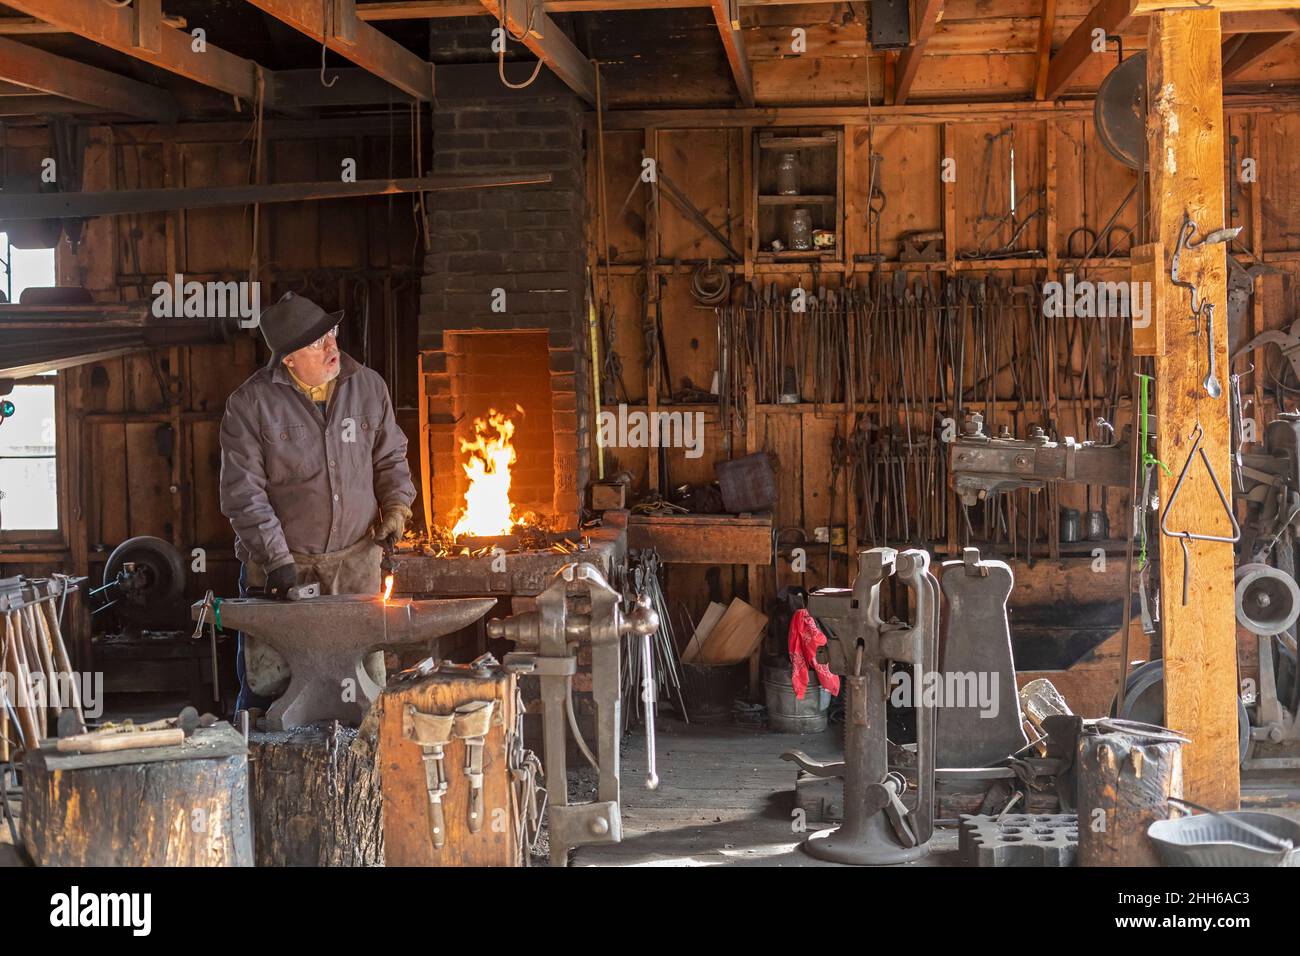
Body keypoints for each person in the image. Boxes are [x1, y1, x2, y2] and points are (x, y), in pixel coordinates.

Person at [219, 291, 415, 711]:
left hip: (355, 566)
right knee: (271, 692)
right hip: (284, 570)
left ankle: (366, 773)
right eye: (317, 343)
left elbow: (390, 457)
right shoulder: (249, 406)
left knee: (363, 694)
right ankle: (261, 766)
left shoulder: (368, 386)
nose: (332, 348)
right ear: (288, 359)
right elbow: (243, 494)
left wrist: (397, 505)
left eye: (332, 334)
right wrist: (279, 564)